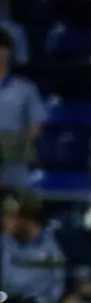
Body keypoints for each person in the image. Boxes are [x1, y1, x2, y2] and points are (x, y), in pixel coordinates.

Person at [0, 29, 45, 187]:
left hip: (15, 168)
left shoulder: (26, 89)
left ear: (8, 51)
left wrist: (8, 147)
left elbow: (36, 129)